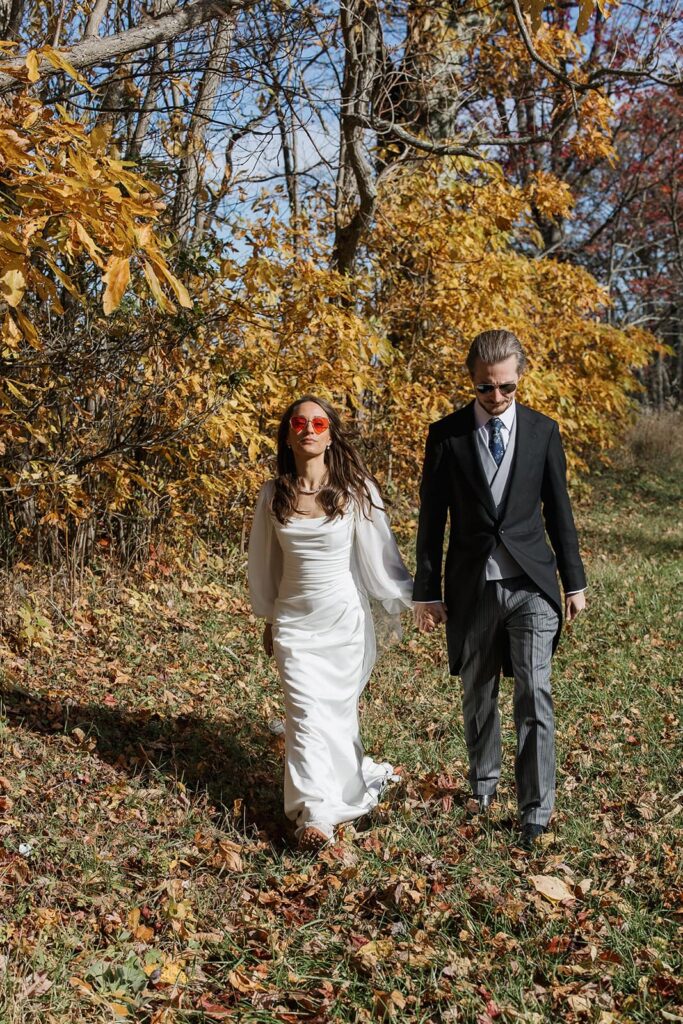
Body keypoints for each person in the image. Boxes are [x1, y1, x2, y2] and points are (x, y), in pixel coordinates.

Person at [413, 330, 586, 848]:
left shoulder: (542, 432)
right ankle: (483, 785)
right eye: (487, 388)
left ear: (519, 379)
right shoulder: (446, 435)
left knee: (534, 691)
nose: (496, 398)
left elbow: (559, 510)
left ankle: (535, 808)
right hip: (472, 586)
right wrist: (426, 590)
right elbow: (431, 518)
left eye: (506, 388)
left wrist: (573, 581)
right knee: (478, 690)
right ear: (473, 381)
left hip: (532, 583)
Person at [248, 395, 413, 851]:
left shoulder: (355, 490)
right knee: (302, 715)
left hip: (343, 622)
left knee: (335, 718)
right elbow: (265, 565)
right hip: (294, 624)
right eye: (299, 422)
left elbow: (383, 557)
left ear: (331, 432)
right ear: (287, 434)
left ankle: (351, 785)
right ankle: (314, 815)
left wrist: (417, 597)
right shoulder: (273, 493)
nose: (309, 428)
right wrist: (268, 617)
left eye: (319, 421)